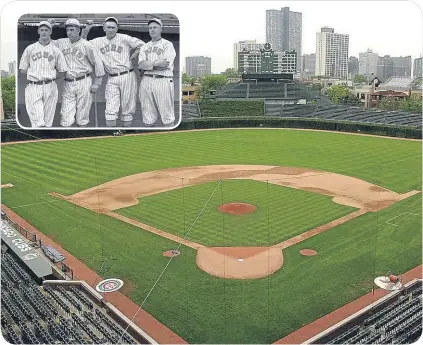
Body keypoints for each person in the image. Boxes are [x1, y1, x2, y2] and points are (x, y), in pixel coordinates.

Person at [82, 17, 144, 127]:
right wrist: (86, 30)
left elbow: (143, 45)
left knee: (127, 108)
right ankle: (112, 132)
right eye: (108, 27)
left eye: (113, 27)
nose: (111, 30)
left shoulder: (124, 38)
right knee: (110, 107)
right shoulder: (97, 41)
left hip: (127, 74)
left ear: (117, 28)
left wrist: (135, 53)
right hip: (111, 77)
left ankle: (125, 134)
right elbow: (82, 44)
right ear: (104, 28)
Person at [50, 18, 105, 127]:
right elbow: (46, 42)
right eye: (68, 30)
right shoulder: (61, 42)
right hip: (68, 82)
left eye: (72, 29)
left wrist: (97, 83)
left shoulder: (87, 45)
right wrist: (50, 26)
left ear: (78, 30)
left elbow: (97, 63)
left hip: (83, 80)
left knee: (82, 115)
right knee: (65, 115)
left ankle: (82, 137)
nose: (69, 32)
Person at [19, 21, 69, 128]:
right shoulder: (30, 48)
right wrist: (35, 74)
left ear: (50, 31)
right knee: (38, 120)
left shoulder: (56, 51)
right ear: (38, 31)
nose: (44, 32)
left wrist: (50, 75)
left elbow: (63, 71)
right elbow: (22, 69)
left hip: (50, 86)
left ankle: (45, 139)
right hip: (33, 86)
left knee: (47, 121)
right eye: (42, 30)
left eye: (46, 30)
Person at [138, 18, 176, 127]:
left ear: (161, 29)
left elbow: (165, 65)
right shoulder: (144, 46)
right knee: (147, 114)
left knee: (167, 114)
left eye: (155, 27)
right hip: (146, 80)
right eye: (150, 28)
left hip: (163, 79)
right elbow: (140, 65)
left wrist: (148, 65)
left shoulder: (167, 44)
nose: (152, 30)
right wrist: (156, 63)